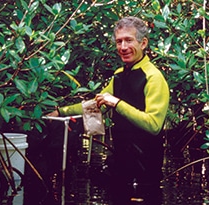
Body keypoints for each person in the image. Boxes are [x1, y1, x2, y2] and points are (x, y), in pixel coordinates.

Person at [47, 16, 169, 203]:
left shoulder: (154, 77)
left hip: (145, 174)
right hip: (121, 166)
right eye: (119, 41)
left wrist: (117, 103)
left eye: (129, 40)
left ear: (143, 43)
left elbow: (153, 125)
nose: (123, 47)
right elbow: (95, 105)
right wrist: (60, 112)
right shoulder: (119, 75)